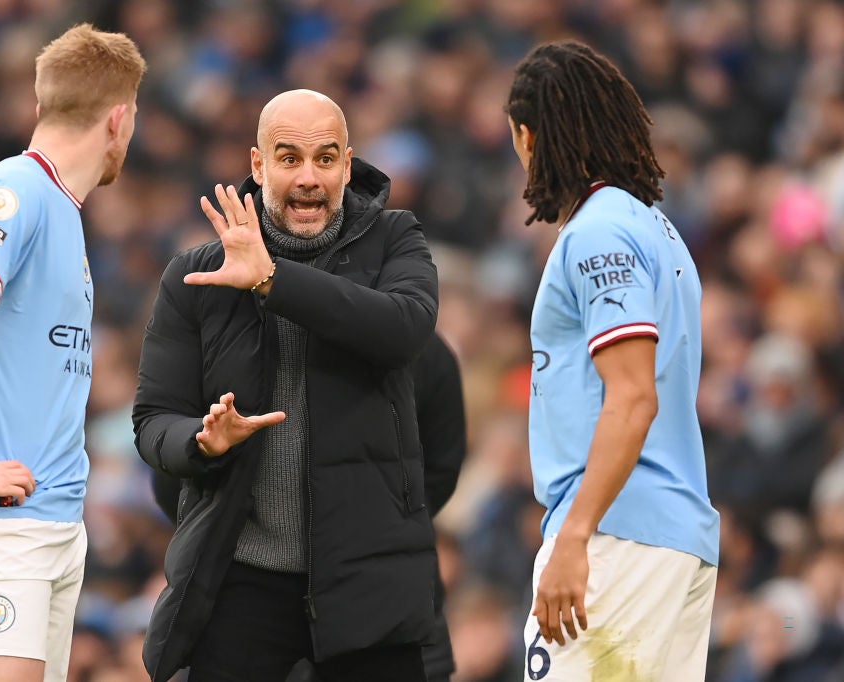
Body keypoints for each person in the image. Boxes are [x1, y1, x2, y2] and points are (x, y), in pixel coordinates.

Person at [133, 89, 440, 682]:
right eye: (289, 158)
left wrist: (273, 280)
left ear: (348, 167)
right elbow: (153, 422)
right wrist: (203, 441)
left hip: (368, 576)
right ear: (257, 166)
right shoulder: (195, 272)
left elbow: (404, 330)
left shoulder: (396, 238)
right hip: (241, 574)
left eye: (326, 159)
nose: (308, 178)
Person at [0, 24, 146, 682]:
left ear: (44, 105)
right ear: (119, 119)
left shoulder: (62, 209)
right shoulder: (13, 189)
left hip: (45, 520)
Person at [505, 41, 720, 680]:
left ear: (530, 135)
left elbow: (632, 397)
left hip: (617, 535)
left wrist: (574, 535)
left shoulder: (598, 233)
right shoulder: (655, 228)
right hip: (676, 538)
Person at [149, 329, 466, 682]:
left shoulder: (226, 331)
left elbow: (440, 466)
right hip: (320, 581)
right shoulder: (415, 338)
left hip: (366, 585)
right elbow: (441, 468)